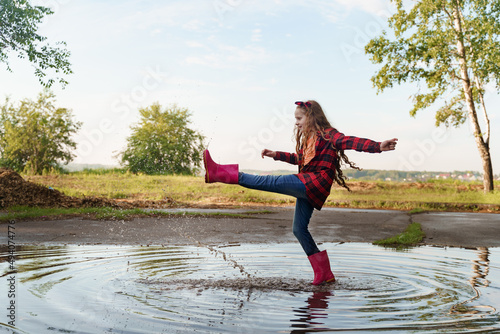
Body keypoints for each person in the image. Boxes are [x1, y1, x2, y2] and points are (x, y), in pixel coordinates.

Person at [203, 100, 398, 285]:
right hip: (310, 185)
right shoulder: (310, 139)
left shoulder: (329, 135)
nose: (296, 123)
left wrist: (378, 146)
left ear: (311, 117)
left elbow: (350, 141)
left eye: (299, 119)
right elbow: (301, 159)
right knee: (298, 229)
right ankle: (324, 273)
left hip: (313, 183)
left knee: (267, 181)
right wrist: (276, 155)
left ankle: (218, 172)